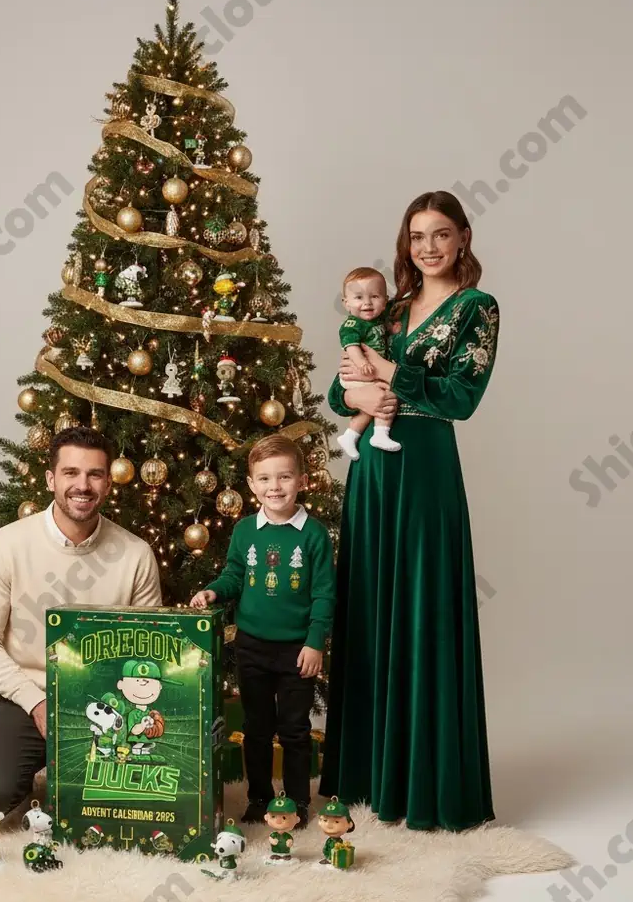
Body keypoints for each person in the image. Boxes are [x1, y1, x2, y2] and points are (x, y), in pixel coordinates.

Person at [319, 190, 500, 832]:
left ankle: (425, 784)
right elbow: (340, 394)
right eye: (417, 236)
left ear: (462, 238)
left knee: (422, 606)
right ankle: (369, 777)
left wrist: (389, 374)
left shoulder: (476, 307)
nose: (428, 247)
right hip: (372, 468)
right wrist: (356, 392)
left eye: (441, 234)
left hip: (424, 466)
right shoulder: (388, 307)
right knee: (370, 606)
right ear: (406, 243)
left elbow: (461, 397)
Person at [0, 426, 162, 815]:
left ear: (108, 483)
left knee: (125, 801)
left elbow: (147, 647)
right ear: (51, 479)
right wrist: (36, 702)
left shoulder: (136, 554)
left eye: (95, 474)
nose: (82, 485)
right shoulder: (6, 544)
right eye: (71, 473)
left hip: (107, 703)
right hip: (27, 697)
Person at [190, 435, 335, 829]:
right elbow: (234, 574)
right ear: (252, 484)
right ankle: (258, 799)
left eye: (284, 477)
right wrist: (214, 591)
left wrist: (314, 642)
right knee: (255, 728)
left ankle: (298, 802)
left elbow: (324, 594)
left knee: (294, 730)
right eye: (265, 479)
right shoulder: (245, 531)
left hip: (297, 650)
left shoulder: (314, 535)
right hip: (252, 647)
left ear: (302, 481)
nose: (275, 487)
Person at [335, 267, 401, 460]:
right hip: (359, 371)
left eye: (374, 296)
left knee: (371, 405)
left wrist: (393, 329)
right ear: (346, 303)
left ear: (385, 301)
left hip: (370, 371)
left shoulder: (377, 320)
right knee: (385, 396)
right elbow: (351, 347)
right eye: (358, 297)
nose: (367, 303)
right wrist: (362, 363)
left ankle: (350, 435)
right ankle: (380, 433)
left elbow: (383, 331)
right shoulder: (352, 324)